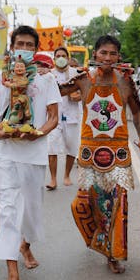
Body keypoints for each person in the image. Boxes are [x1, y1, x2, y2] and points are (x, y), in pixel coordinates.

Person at [58, 35, 140, 273]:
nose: (108, 58)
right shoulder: (82, 79)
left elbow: (137, 112)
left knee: (116, 203)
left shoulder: (126, 82)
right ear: (95, 54)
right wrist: (40, 75)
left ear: (118, 56)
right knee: (83, 203)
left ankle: (113, 253)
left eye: (113, 54)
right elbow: (54, 93)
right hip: (89, 150)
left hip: (117, 151)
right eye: (103, 53)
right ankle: (100, 240)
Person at [0, 25, 61, 280]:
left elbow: (54, 116)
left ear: (36, 49)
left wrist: (39, 133)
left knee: (30, 213)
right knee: (8, 210)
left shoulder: (46, 80)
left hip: (34, 153)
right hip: (5, 153)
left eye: (30, 45)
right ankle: (12, 274)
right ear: (12, 46)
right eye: (21, 44)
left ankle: (25, 245)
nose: (25, 49)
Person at [46, 46, 82, 190]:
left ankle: (66, 175)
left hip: (72, 116)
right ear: (54, 59)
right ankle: (53, 179)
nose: (60, 58)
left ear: (68, 58)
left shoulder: (76, 74)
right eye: (58, 56)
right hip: (54, 117)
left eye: (63, 55)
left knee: (72, 147)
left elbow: (83, 93)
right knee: (51, 148)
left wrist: (77, 96)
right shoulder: (49, 75)